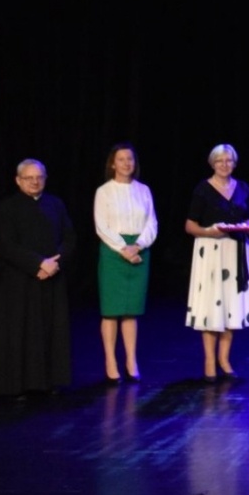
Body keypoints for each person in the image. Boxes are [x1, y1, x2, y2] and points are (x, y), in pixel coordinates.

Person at [0, 159, 75, 398]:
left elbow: (69, 238)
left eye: (39, 177)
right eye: (29, 178)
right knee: (22, 331)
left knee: (50, 330)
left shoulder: (55, 204)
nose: (35, 182)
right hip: (20, 281)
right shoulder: (7, 208)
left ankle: (49, 382)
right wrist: (38, 263)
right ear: (18, 180)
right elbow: (6, 244)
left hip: (52, 277)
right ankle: (19, 385)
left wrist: (55, 263)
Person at [184, 144, 249, 381]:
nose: (224, 165)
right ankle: (209, 361)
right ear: (212, 163)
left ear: (234, 163)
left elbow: (247, 220)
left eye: (229, 161)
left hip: (236, 251)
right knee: (212, 305)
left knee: (231, 305)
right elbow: (190, 225)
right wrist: (209, 232)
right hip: (211, 251)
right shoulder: (203, 189)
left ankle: (224, 359)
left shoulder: (243, 188)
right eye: (220, 161)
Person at [93, 143, 157, 383]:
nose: (126, 163)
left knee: (131, 311)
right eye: (121, 159)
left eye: (130, 159)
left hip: (139, 249)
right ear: (113, 163)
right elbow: (102, 226)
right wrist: (123, 248)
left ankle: (131, 360)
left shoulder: (144, 190)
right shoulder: (104, 191)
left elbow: (151, 223)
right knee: (111, 311)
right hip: (113, 250)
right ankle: (110, 361)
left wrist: (137, 246)